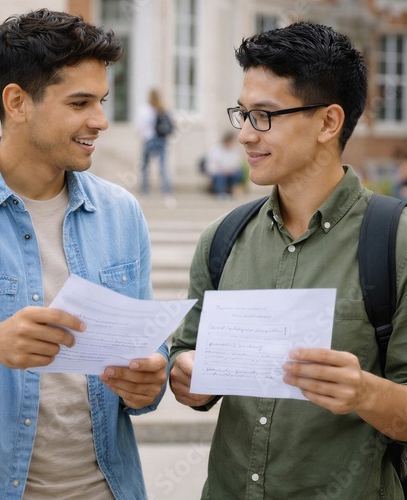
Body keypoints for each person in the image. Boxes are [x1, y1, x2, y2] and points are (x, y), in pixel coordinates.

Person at [0, 9, 168, 500]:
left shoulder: (121, 213)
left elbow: (147, 355)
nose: (101, 121)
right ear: (17, 102)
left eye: (103, 101)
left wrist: (149, 379)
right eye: (80, 102)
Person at [170, 21, 407, 499]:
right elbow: (186, 357)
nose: (244, 135)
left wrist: (363, 392)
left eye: (266, 115)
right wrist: (187, 376)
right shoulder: (222, 239)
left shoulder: (396, 242)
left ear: (328, 122)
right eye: (242, 113)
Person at [136, 89, 173, 195]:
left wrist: (141, 136)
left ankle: (145, 189)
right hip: (161, 139)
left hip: (148, 139)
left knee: (145, 166)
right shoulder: (162, 108)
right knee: (163, 165)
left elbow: (140, 125)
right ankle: (166, 189)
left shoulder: (144, 108)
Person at [204, 131, 244, 198]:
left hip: (230, 172)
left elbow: (236, 164)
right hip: (218, 172)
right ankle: (221, 193)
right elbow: (211, 166)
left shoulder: (234, 150)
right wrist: (222, 170)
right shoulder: (215, 150)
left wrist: (230, 170)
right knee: (220, 177)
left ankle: (234, 191)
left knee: (238, 173)